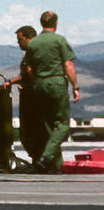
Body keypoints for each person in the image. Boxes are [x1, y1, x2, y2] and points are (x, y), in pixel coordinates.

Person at [22, 11, 80, 174]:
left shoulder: (33, 43)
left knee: (48, 125)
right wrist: (75, 86)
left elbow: (28, 67)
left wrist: (37, 82)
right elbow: (67, 64)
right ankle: (46, 158)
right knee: (62, 125)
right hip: (56, 82)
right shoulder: (59, 40)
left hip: (39, 83)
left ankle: (55, 165)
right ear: (56, 23)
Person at [5, 26, 41, 170]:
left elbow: (28, 71)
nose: (18, 43)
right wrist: (12, 81)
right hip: (36, 92)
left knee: (28, 129)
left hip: (31, 95)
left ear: (29, 37)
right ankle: (38, 160)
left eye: (20, 40)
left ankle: (38, 161)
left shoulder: (30, 52)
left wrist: (36, 86)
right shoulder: (36, 51)